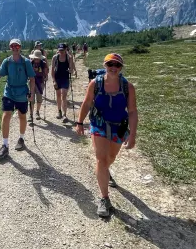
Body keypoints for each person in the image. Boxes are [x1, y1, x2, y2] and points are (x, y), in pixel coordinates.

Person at [75, 53, 138, 217]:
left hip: (119, 127)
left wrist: (132, 135)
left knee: (111, 157)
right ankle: (104, 198)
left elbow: (132, 111)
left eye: (117, 65)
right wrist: (80, 122)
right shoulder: (95, 84)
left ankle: (105, 172)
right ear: (105, 66)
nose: (113, 68)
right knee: (101, 159)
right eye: (110, 64)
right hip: (99, 125)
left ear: (121, 68)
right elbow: (87, 102)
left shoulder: (128, 87)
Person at [0, 38, 36, 158]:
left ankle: (21, 139)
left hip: (22, 92)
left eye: (17, 46)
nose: (14, 48)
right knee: (6, 114)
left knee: (21, 115)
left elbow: (32, 79)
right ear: (10, 48)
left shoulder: (26, 62)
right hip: (9, 91)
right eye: (12, 46)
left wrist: (32, 93)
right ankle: (5, 145)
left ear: (20, 47)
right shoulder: (7, 62)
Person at [51, 43, 75, 123]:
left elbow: (71, 70)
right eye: (60, 50)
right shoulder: (55, 58)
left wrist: (71, 59)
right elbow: (52, 70)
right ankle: (59, 111)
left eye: (63, 50)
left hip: (65, 78)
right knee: (58, 95)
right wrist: (54, 81)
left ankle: (65, 115)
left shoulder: (68, 57)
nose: (61, 52)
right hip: (57, 78)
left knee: (64, 96)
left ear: (66, 50)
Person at [29, 49, 49, 120]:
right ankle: (31, 114)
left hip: (40, 83)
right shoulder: (30, 63)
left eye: (38, 58)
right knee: (31, 98)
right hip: (32, 82)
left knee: (39, 98)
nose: (36, 59)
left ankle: (37, 112)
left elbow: (46, 71)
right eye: (35, 58)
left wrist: (46, 76)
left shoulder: (43, 63)